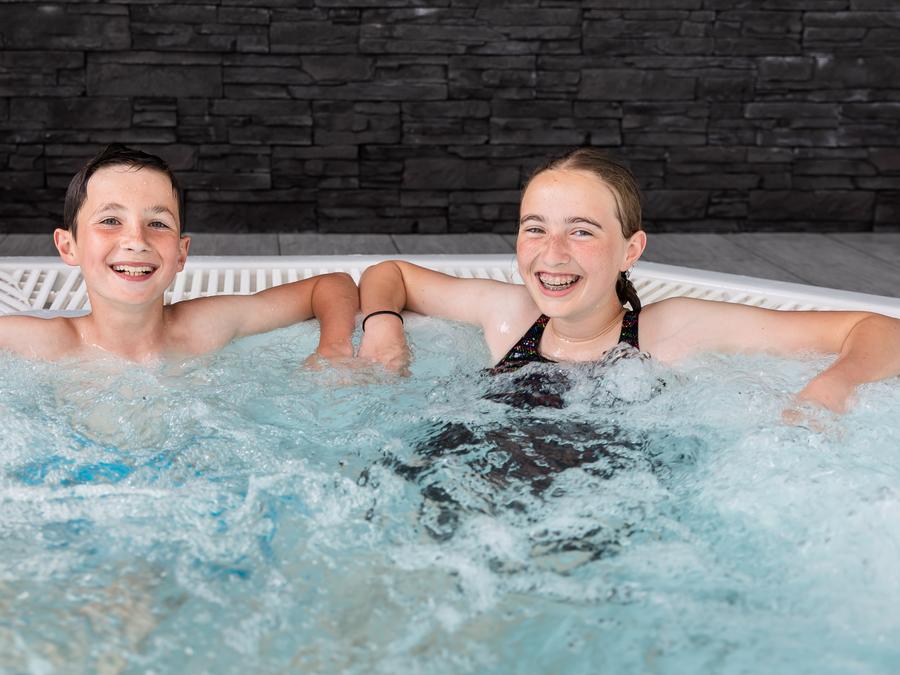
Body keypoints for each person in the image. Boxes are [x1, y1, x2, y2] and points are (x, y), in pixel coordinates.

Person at [357, 147, 900, 413]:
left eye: (582, 231)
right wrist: (382, 325)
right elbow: (389, 273)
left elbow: (880, 329)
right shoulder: (511, 315)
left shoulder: (670, 329)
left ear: (631, 250)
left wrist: (835, 383)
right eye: (535, 228)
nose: (552, 253)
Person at [0, 144, 359, 362]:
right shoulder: (48, 343)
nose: (136, 240)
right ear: (68, 246)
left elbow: (331, 285)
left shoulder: (205, 327)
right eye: (110, 220)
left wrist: (334, 349)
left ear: (181, 253)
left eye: (157, 223)